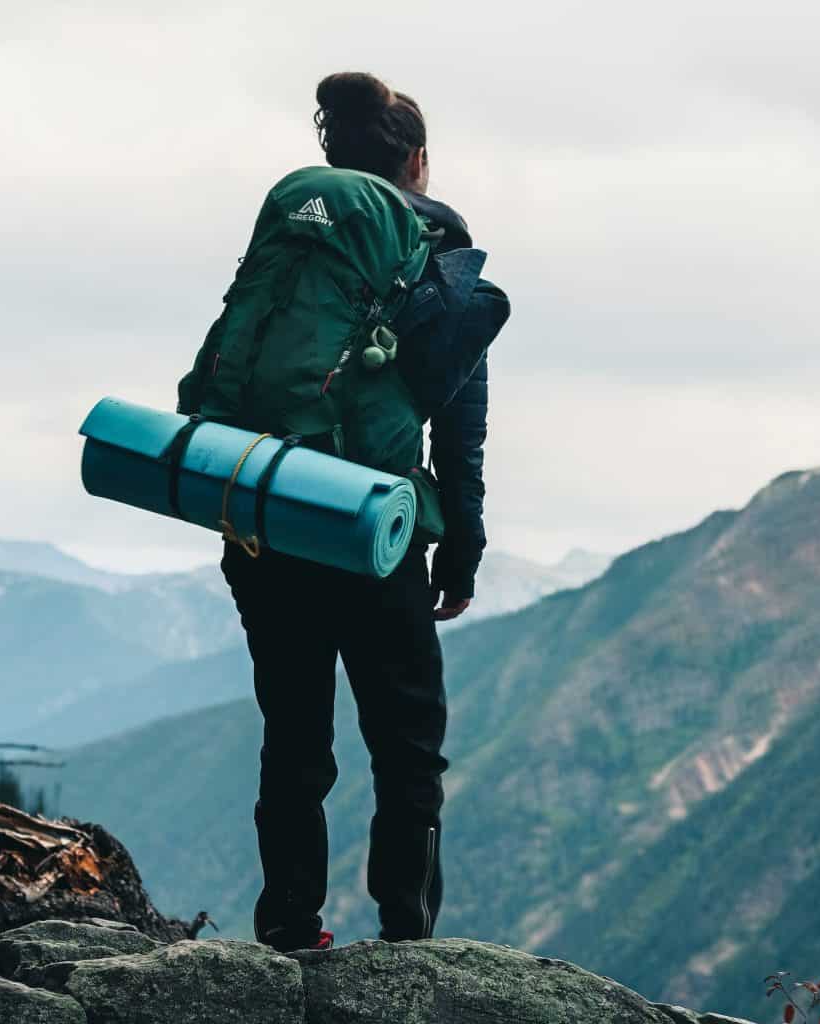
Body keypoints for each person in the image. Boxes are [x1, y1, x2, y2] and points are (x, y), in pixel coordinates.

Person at [214, 71, 510, 951]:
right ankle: (405, 940)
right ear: (417, 161)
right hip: (366, 524)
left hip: (260, 500)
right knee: (407, 742)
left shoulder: (297, 235)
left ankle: (288, 926)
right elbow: (458, 425)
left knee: (293, 731)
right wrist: (459, 551)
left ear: (333, 155)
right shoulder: (434, 245)